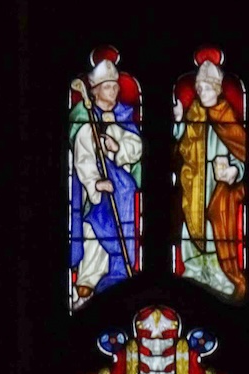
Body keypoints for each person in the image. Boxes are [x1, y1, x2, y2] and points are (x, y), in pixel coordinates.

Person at [173, 50, 246, 300]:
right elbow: (179, 145)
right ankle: (194, 270)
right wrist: (179, 123)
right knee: (191, 228)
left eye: (206, 88)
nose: (201, 93)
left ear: (217, 89)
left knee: (216, 230)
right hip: (194, 184)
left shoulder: (227, 117)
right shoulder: (193, 113)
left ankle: (218, 275)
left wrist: (235, 170)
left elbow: (243, 150)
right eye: (199, 88)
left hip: (219, 189)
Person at [69, 50, 141, 304]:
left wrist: (117, 147)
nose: (114, 92)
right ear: (96, 91)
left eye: (115, 87)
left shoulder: (123, 115)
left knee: (122, 232)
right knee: (93, 233)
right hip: (96, 194)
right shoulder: (85, 118)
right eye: (108, 87)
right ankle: (86, 287)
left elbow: (136, 147)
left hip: (121, 193)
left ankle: (119, 278)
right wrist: (95, 183)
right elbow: (82, 155)